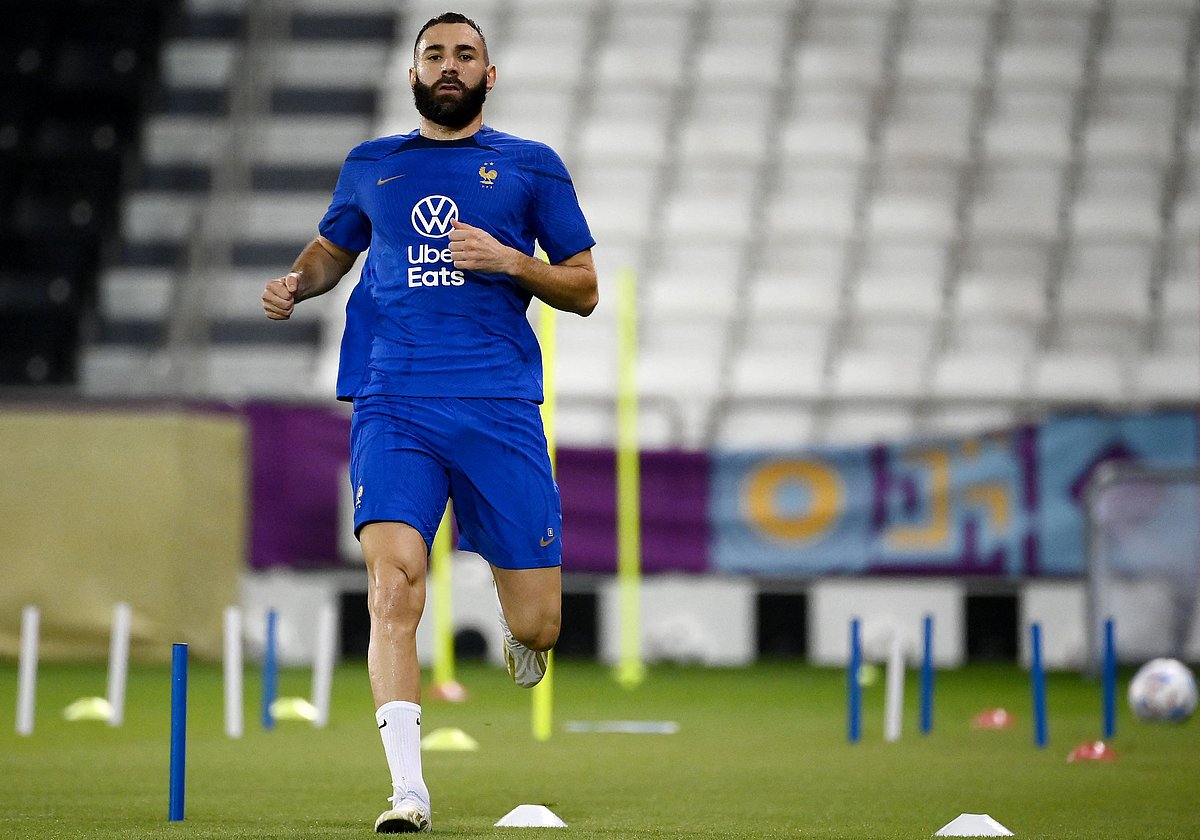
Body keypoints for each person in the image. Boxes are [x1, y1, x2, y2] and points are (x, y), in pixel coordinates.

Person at [261, 12, 597, 834]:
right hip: (393, 400)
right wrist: (298, 283)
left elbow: (584, 287)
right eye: (435, 55)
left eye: (465, 55)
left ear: (490, 74)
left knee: (538, 622)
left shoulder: (531, 167)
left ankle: (525, 634)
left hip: (499, 407)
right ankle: (408, 791)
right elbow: (331, 251)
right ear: (413, 75)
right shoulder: (371, 166)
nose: (449, 67)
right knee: (393, 584)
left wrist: (511, 261)